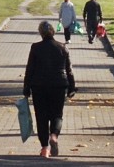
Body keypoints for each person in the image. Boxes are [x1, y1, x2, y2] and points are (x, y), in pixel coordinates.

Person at [23, 20, 76, 158]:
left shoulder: (35, 48)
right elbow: (69, 70)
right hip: (58, 85)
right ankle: (54, 136)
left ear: (41, 33)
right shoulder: (63, 47)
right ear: (53, 32)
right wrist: (72, 87)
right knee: (57, 114)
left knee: (41, 117)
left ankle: (45, 148)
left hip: (39, 86)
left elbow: (30, 69)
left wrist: (26, 88)